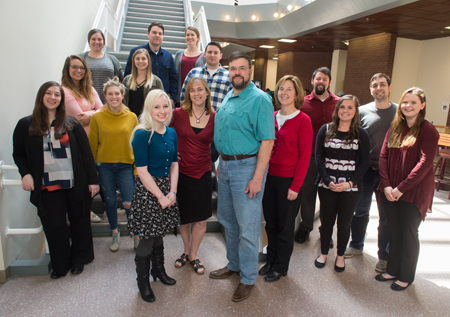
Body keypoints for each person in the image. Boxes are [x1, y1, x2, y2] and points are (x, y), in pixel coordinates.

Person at [12, 81, 99, 279]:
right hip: (46, 186)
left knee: (79, 222)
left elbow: (86, 154)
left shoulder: (72, 123)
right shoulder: (26, 124)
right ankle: (61, 264)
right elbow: (19, 154)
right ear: (41, 96)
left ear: (61, 99)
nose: (53, 98)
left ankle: (78, 260)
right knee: (55, 226)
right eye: (49, 94)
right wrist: (25, 174)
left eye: (57, 95)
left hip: (74, 183)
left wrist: (93, 180)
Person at [209, 51, 275, 302]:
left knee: (247, 227)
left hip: (247, 169)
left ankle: (248, 277)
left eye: (242, 68)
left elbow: (267, 141)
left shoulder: (260, 100)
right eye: (233, 68)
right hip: (225, 167)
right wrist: (220, 162)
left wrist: (258, 177)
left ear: (250, 71)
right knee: (228, 221)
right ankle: (234, 265)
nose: (237, 72)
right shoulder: (229, 95)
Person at [376, 87, 439, 291]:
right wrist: (386, 186)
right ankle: (393, 269)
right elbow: (383, 157)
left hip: (413, 192)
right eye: (405, 102)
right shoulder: (395, 127)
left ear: (422, 105)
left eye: (413, 102)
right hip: (390, 190)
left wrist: (401, 189)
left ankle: (406, 275)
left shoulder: (428, 130)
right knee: (393, 232)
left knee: (408, 233)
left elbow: (425, 163)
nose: (408, 106)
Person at [127, 89, 179, 303]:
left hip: (167, 188)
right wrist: (160, 196)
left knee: (159, 233)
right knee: (148, 238)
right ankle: (143, 282)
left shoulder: (172, 132)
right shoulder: (142, 134)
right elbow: (142, 171)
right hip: (149, 191)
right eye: (156, 107)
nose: (162, 111)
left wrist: (172, 192)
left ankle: (158, 270)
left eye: (165, 106)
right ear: (149, 108)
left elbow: (175, 165)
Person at [259, 76, 312, 282]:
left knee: (285, 227)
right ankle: (270, 261)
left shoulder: (303, 120)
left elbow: (305, 156)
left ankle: (281, 267)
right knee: (270, 224)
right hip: (268, 179)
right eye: (281, 89)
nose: (284, 93)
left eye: (289, 89)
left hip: (289, 181)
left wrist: (296, 186)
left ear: (297, 94)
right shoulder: (271, 116)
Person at [344, 74, 397, 274]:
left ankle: (383, 256)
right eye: (374, 85)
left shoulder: (399, 112)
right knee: (360, 210)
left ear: (390, 87)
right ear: (370, 89)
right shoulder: (361, 111)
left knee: (385, 217)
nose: (378, 88)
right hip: (365, 171)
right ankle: (356, 245)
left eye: (382, 84)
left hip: (388, 173)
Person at [314, 95, 369, 272]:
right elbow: (319, 158)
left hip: (350, 189)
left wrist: (349, 183)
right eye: (342, 107)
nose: (345, 111)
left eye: (350, 108)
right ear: (337, 109)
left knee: (344, 224)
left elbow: (364, 163)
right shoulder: (326, 129)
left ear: (355, 111)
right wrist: (328, 180)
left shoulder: (362, 134)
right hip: (327, 185)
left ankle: (340, 256)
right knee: (326, 222)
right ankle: (323, 253)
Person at [170, 78, 215, 275]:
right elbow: (162, 132)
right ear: (188, 94)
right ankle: (186, 251)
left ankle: (194, 255)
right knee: (183, 218)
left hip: (203, 173)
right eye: (192, 90)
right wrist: (171, 152)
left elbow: (219, 144)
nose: (196, 93)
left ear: (207, 92)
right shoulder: (177, 114)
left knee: (201, 220)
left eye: (200, 89)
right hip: (181, 173)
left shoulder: (215, 116)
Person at [88, 78, 139, 252]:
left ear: (122, 95)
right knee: (109, 201)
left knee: (130, 202)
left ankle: (136, 234)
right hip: (104, 166)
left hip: (126, 165)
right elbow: (92, 146)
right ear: (105, 96)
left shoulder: (132, 117)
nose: (114, 96)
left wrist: (135, 168)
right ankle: (115, 233)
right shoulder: (97, 117)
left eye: (117, 93)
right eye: (110, 94)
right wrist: (92, 172)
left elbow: (136, 145)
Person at [295, 67, 340, 244]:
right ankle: (306, 227)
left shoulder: (338, 103)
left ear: (329, 82)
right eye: (318, 79)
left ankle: (326, 232)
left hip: (332, 158)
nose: (321, 82)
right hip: (310, 157)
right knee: (307, 194)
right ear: (312, 81)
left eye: (325, 79)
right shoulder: (303, 103)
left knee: (329, 197)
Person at [61, 55, 103, 223]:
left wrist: (90, 114)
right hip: (76, 140)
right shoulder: (64, 90)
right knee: (82, 175)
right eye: (74, 67)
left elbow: (103, 109)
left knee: (93, 174)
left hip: (93, 138)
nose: (78, 70)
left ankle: (89, 206)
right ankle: (87, 210)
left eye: (82, 68)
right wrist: (93, 112)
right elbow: (78, 117)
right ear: (67, 69)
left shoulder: (89, 89)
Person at [124, 22, 178, 107]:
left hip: (161, 100)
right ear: (148, 34)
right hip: (139, 98)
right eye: (154, 32)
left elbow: (173, 79)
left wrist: (172, 98)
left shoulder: (168, 56)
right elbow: (128, 73)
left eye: (160, 33)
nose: (157, 35)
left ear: (163, 36)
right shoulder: (136, 52)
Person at [180, 41, 231, 110]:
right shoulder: (193, 73)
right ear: (204, 54)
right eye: (209, 52)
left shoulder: (229, 76)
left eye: (215, 53)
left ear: (220, 56)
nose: (212, 55)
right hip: (195, 118)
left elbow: (232, 101)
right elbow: (184, 96)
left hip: (219, 119)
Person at [79, 29, 124, 103]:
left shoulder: (112, 59)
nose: (96, 42)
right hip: (86, 102)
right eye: (93, 39)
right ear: (89, 41)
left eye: (99, 39)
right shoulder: (81, 58)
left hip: (109, 103)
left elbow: (121, 81)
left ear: (103, 41)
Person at [123, 49, 163, 117]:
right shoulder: (126, 80)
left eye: (143, 58)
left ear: (148, 61)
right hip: (129, 120)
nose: (140, 61)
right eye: (137, 59)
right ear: (133, 61)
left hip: (148, 120)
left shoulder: (156, 81)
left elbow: (161, 102)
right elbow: (123, 102)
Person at [174, 27, 206, 107]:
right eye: (187, 35)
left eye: (192, 35)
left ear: (197, 37)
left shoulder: (203, 56)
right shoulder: (179, 54)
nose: (190, 37)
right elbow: (174, 75)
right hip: (181, 95)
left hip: (196, 96)